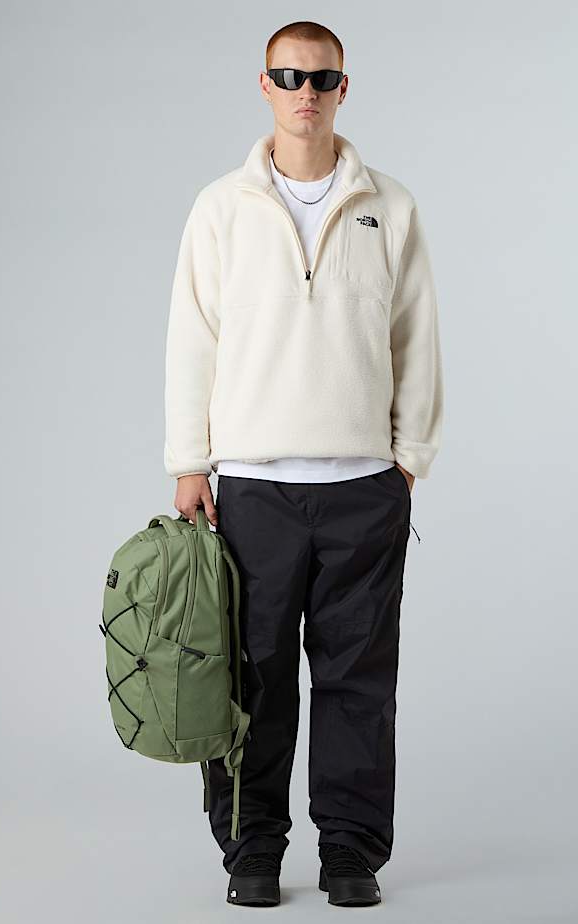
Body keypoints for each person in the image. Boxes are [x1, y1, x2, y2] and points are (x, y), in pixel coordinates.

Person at [163, 19, 444, 907]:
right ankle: (251, 852)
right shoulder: (221, 208)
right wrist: (190, 462)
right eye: (289, 77)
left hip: (363, 489)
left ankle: (351, 855)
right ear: (265, 85)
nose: (305, 93)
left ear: (343, 88)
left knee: (359, 681)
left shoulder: (389, 206)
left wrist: (408, 460)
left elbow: (417, 338)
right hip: (253, 489)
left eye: (321, 79)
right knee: (248, 679)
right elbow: (192, 339)